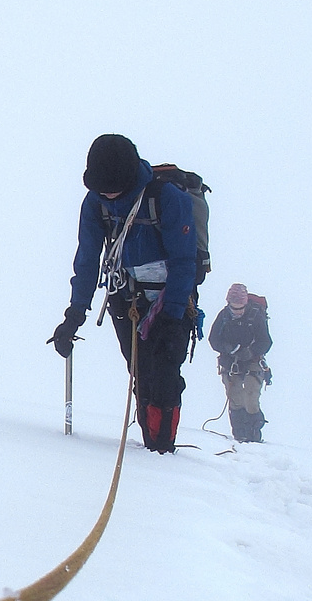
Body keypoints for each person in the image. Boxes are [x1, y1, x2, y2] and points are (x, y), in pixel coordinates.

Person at [48, 134, 199, 453]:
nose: (107, 194)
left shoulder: (167, 198)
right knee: (141, 371)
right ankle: (152, 447)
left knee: (165, 373)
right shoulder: (95, 204)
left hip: (170, 298)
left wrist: (171, 319)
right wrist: (74, 315)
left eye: (112, 187)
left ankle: (162, 450)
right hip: (125, 296)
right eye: (101, 188)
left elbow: (185, 262)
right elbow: (87, 259)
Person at [209, 283, 272, 442]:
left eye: (240, 308)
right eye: (234, 308)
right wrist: (227, 349)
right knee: (235, 398)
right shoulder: (223, 316)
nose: (237, 312)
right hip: (230, 363)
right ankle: (239, 434)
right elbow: (213, 339)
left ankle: (254, 435)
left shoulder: (256, 316)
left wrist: (250, 352)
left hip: (252, 361)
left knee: (251, 397)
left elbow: (266, 341)